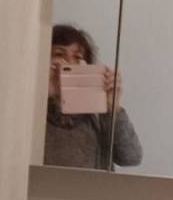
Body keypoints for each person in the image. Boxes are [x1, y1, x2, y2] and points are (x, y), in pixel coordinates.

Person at [44, 24, 142, 169]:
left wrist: (112, 108)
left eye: (77, 57)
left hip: (95, 185)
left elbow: (130, 158)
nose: (69, 63)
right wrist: (43, 93)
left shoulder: (96, 115)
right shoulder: (31, 111)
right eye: (59, 54)